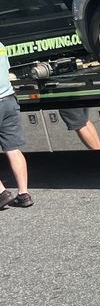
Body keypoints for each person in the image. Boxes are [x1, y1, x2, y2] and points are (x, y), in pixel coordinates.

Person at [0, 40, 32, 208]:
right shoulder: (1, 45)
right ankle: (24, 194)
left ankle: (2, 193)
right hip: (8, 99)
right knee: (12, 148)